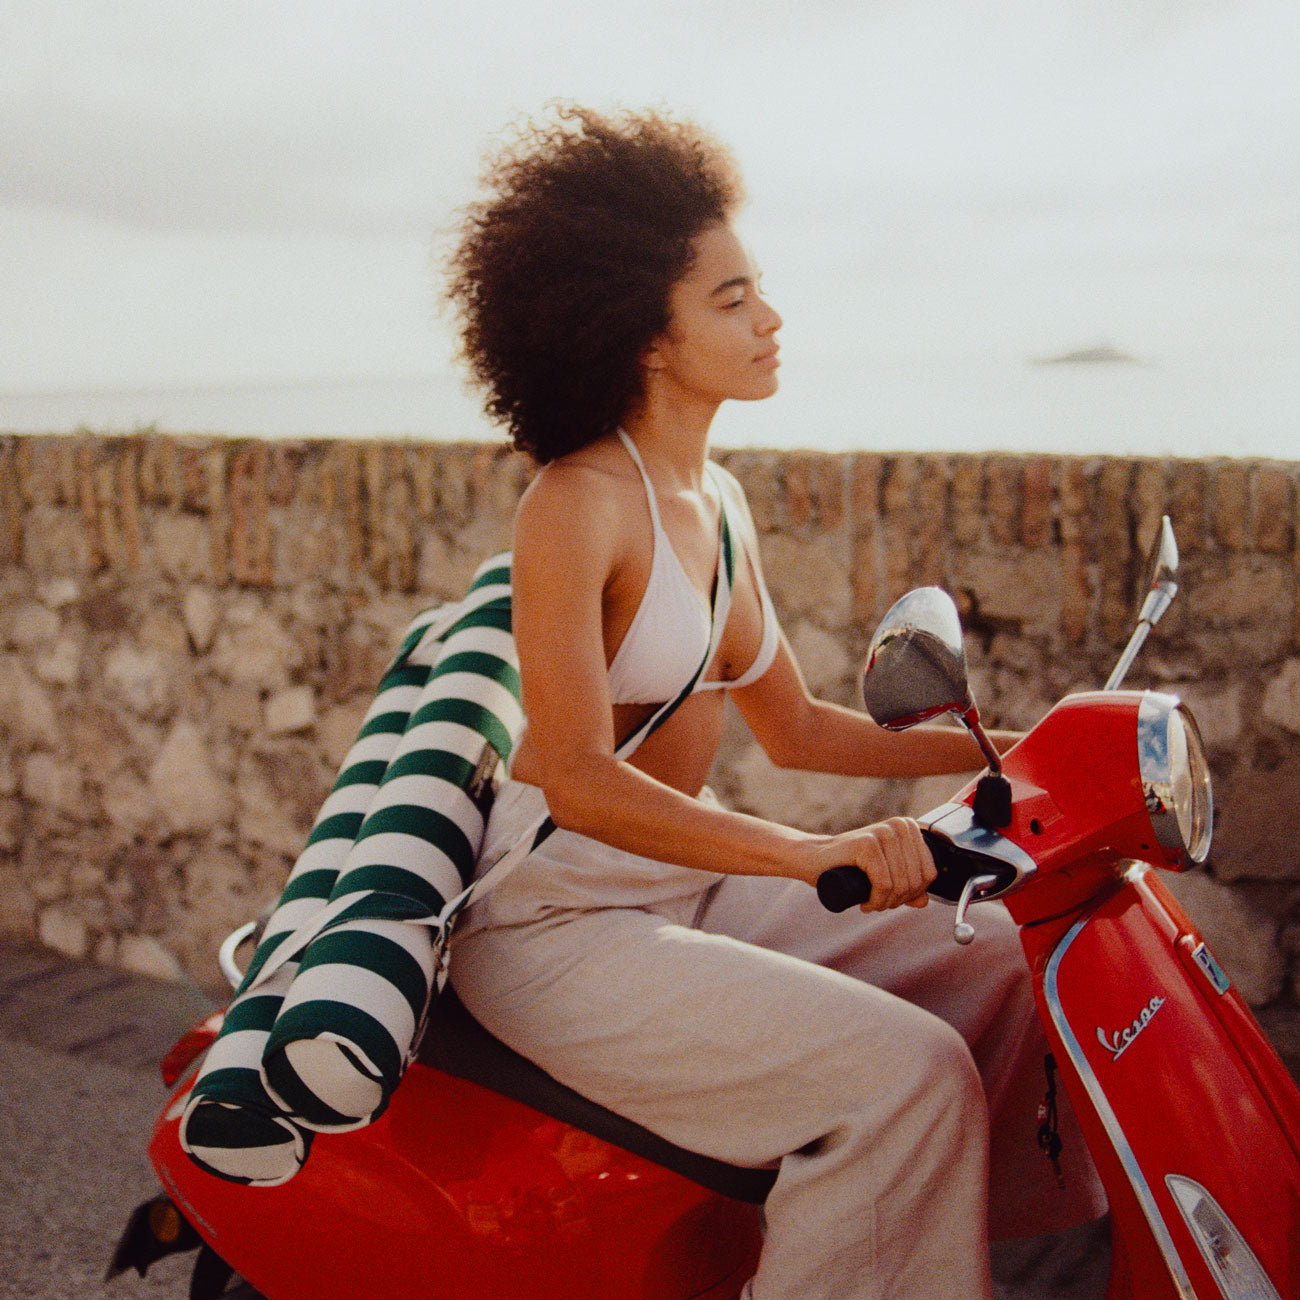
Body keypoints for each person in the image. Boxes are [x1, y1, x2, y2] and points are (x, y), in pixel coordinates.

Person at [444, 105, 1104, 1299]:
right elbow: (577, 780)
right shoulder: (576, 504)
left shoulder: (718, 501)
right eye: (732, 299)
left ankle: (930, 1253)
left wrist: (1037, 748)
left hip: (679, 892)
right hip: (557, 929)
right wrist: (816, 856)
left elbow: (799, 730)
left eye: (760, 291)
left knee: (1006, 955)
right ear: (647, 333)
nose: (770, 319)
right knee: (903, 1075)